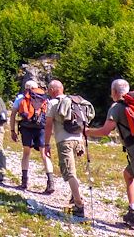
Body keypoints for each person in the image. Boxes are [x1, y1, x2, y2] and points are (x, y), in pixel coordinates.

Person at [86, 79, 134, 237]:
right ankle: (132, 213)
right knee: (128, 174)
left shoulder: (116, 107)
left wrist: (87, 132)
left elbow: (105, 131)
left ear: (114, 92)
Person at [43, 80, 86, 219]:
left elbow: (48, 125)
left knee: (69, 172)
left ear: (53, 90)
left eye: (49, 89)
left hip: (64, 141)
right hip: (79, 139)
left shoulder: (53, 103)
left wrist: (46, 144)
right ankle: (75, 195)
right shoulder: (74, 101)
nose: (48, 92)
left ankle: (79, 205)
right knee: (74, 170)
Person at [9, 79, 56, 195]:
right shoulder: (44, 98)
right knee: (44, 155)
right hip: (41, 128)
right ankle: (51, 182)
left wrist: (12, 131)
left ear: (26, 88)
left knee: (26, 154)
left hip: (27, 128)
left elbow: (13, 114)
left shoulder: (21, 98)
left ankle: (24, 182)